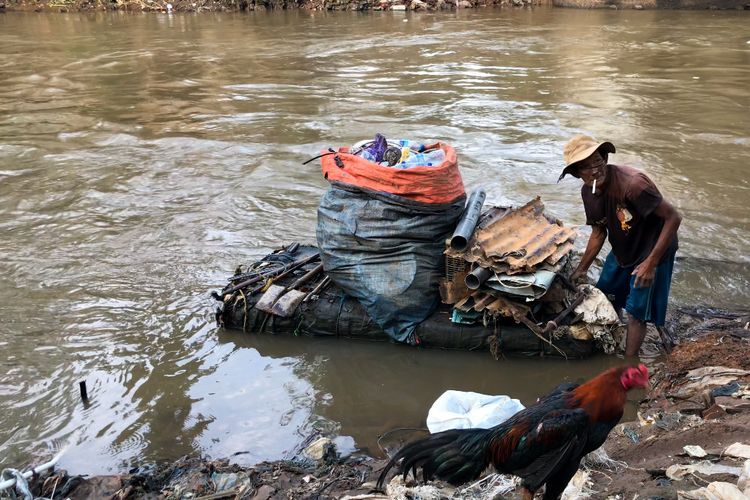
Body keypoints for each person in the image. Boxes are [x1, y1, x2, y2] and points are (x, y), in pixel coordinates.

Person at [559, 135, 682, 357]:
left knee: (636, 311)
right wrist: (582, 269)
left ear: (605, 158)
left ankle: (628, 360)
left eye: (597, 161)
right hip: (624, 247)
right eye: (586, 167)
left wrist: (651, 264)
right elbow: (598, 232)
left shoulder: (633, 185)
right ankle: (610, 341)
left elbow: (673, 218)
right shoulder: (589, 191)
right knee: (607, 295)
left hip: (653, 249)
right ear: (577, 173)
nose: (595, 170)